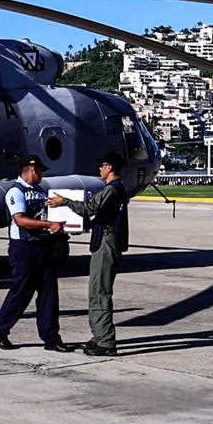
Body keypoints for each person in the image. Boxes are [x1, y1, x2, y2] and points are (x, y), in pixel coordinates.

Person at [0, 154, 71, 351]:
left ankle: (51, 338)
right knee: (21, 292)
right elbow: (20, 220)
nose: (42, 174)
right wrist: (49, 224)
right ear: (31, 170)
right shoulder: (15, 192)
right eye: (40, 171)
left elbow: (50, 214)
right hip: (23, 248)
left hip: (43, 246)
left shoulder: (41, 191)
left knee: (49, 293)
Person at [81, 152, 131, 357]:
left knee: (99, 293)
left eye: (102, 165)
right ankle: (99, 335)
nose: (99, 170)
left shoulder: (111, 189)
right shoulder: (117, 189)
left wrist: (63, 202)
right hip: (108, 241)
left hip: (106, 243)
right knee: (98, 291)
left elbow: (89, 207)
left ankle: (106, 342)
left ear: (109, 167)